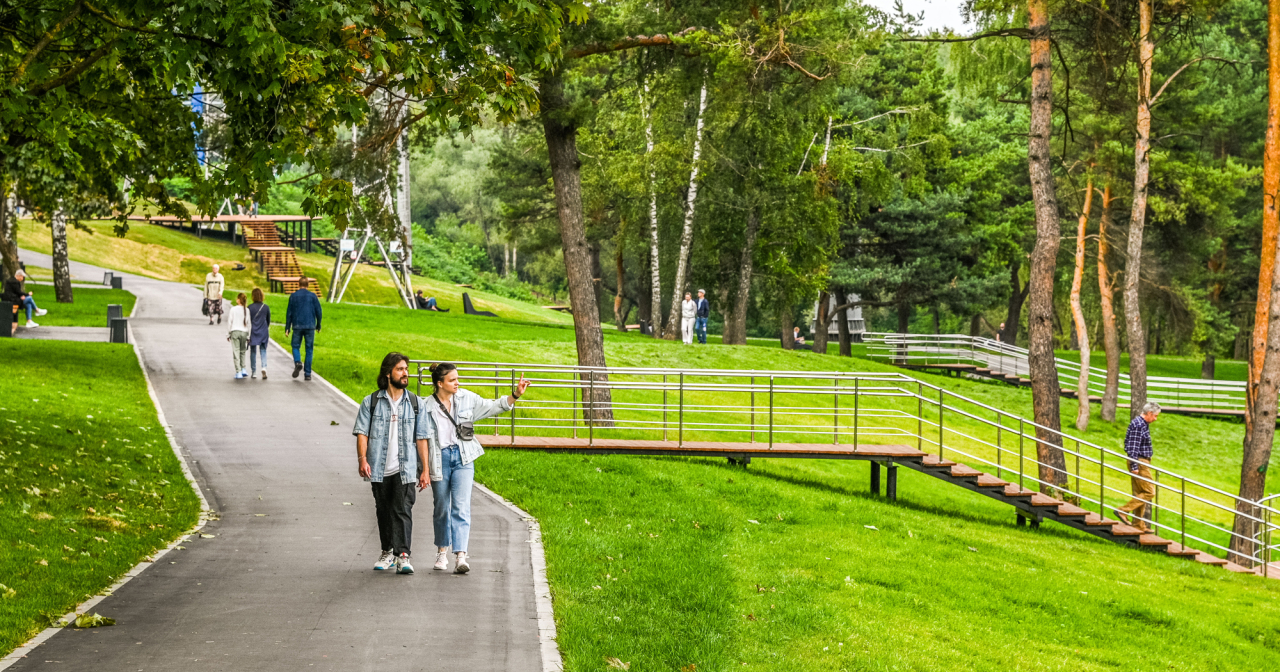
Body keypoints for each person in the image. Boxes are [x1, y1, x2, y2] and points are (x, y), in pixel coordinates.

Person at [423, 362, 530, 574]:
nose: (457, 382)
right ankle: (442, 552)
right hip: (440, 458)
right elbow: (423, 439)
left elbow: (493, 406)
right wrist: (424, 468)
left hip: (464, 458)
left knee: (461, 507)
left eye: (457, 378)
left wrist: (515, 395)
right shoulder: (427, 406)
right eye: (452, 380)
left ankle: (461, 556)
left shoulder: (467, 398)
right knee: (441, 507)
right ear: (439, 383)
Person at [353, 353, 430, 575]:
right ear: (388, 374)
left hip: (405, 469)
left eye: (406, 369)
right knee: (383, 511)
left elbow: (422, 437)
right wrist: (362, 459)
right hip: (378, 467)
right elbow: (362, 434)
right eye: (400, 369)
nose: (405, 373)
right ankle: (387, 551)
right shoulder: (372, 402)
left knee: (402, 509)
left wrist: (425, 469)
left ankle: (403, 556)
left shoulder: (416, 403)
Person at [1115, 402, 1161, 533]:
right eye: (1155, 416)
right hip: (1139, 462)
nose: (1156, 419)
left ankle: (1137, 524)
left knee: (1139, 493)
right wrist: (1135, 465)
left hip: (1141, 461)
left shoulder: (1142, 424)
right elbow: (1132, 447)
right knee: (1149, 492)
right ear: (1150, 413)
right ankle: (1122, 510)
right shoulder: (1138, 425)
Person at [285, 277, 322, 381]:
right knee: (309, 349)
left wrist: (287, 327)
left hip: (297, 325)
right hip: (310, 326)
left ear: (298, 284)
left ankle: (297, 362)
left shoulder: (293, 296)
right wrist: (318, 325)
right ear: (308, 285)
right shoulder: (313, 296)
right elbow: (318, 311)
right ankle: (308, 374)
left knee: (295, 346)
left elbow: (289, 313)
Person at [248, 288, 271, 379]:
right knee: (263, 350)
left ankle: (254, 371)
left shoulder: (249, 307)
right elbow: (268, 320)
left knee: (253, 351)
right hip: (263, 331)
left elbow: (248, 320)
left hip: (253, 331)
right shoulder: (266, 307)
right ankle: (264, 367)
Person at [227, 293, 251, 379]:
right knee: (243, 351)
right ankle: (243, 368)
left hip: (235, 332)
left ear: (238, 300)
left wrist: (228, 334)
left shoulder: (233, 309)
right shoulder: (247, 310)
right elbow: (249, 324)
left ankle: (238, 371)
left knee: (236, 352)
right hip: (244, 332)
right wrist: (249, 336)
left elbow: (230, 322)